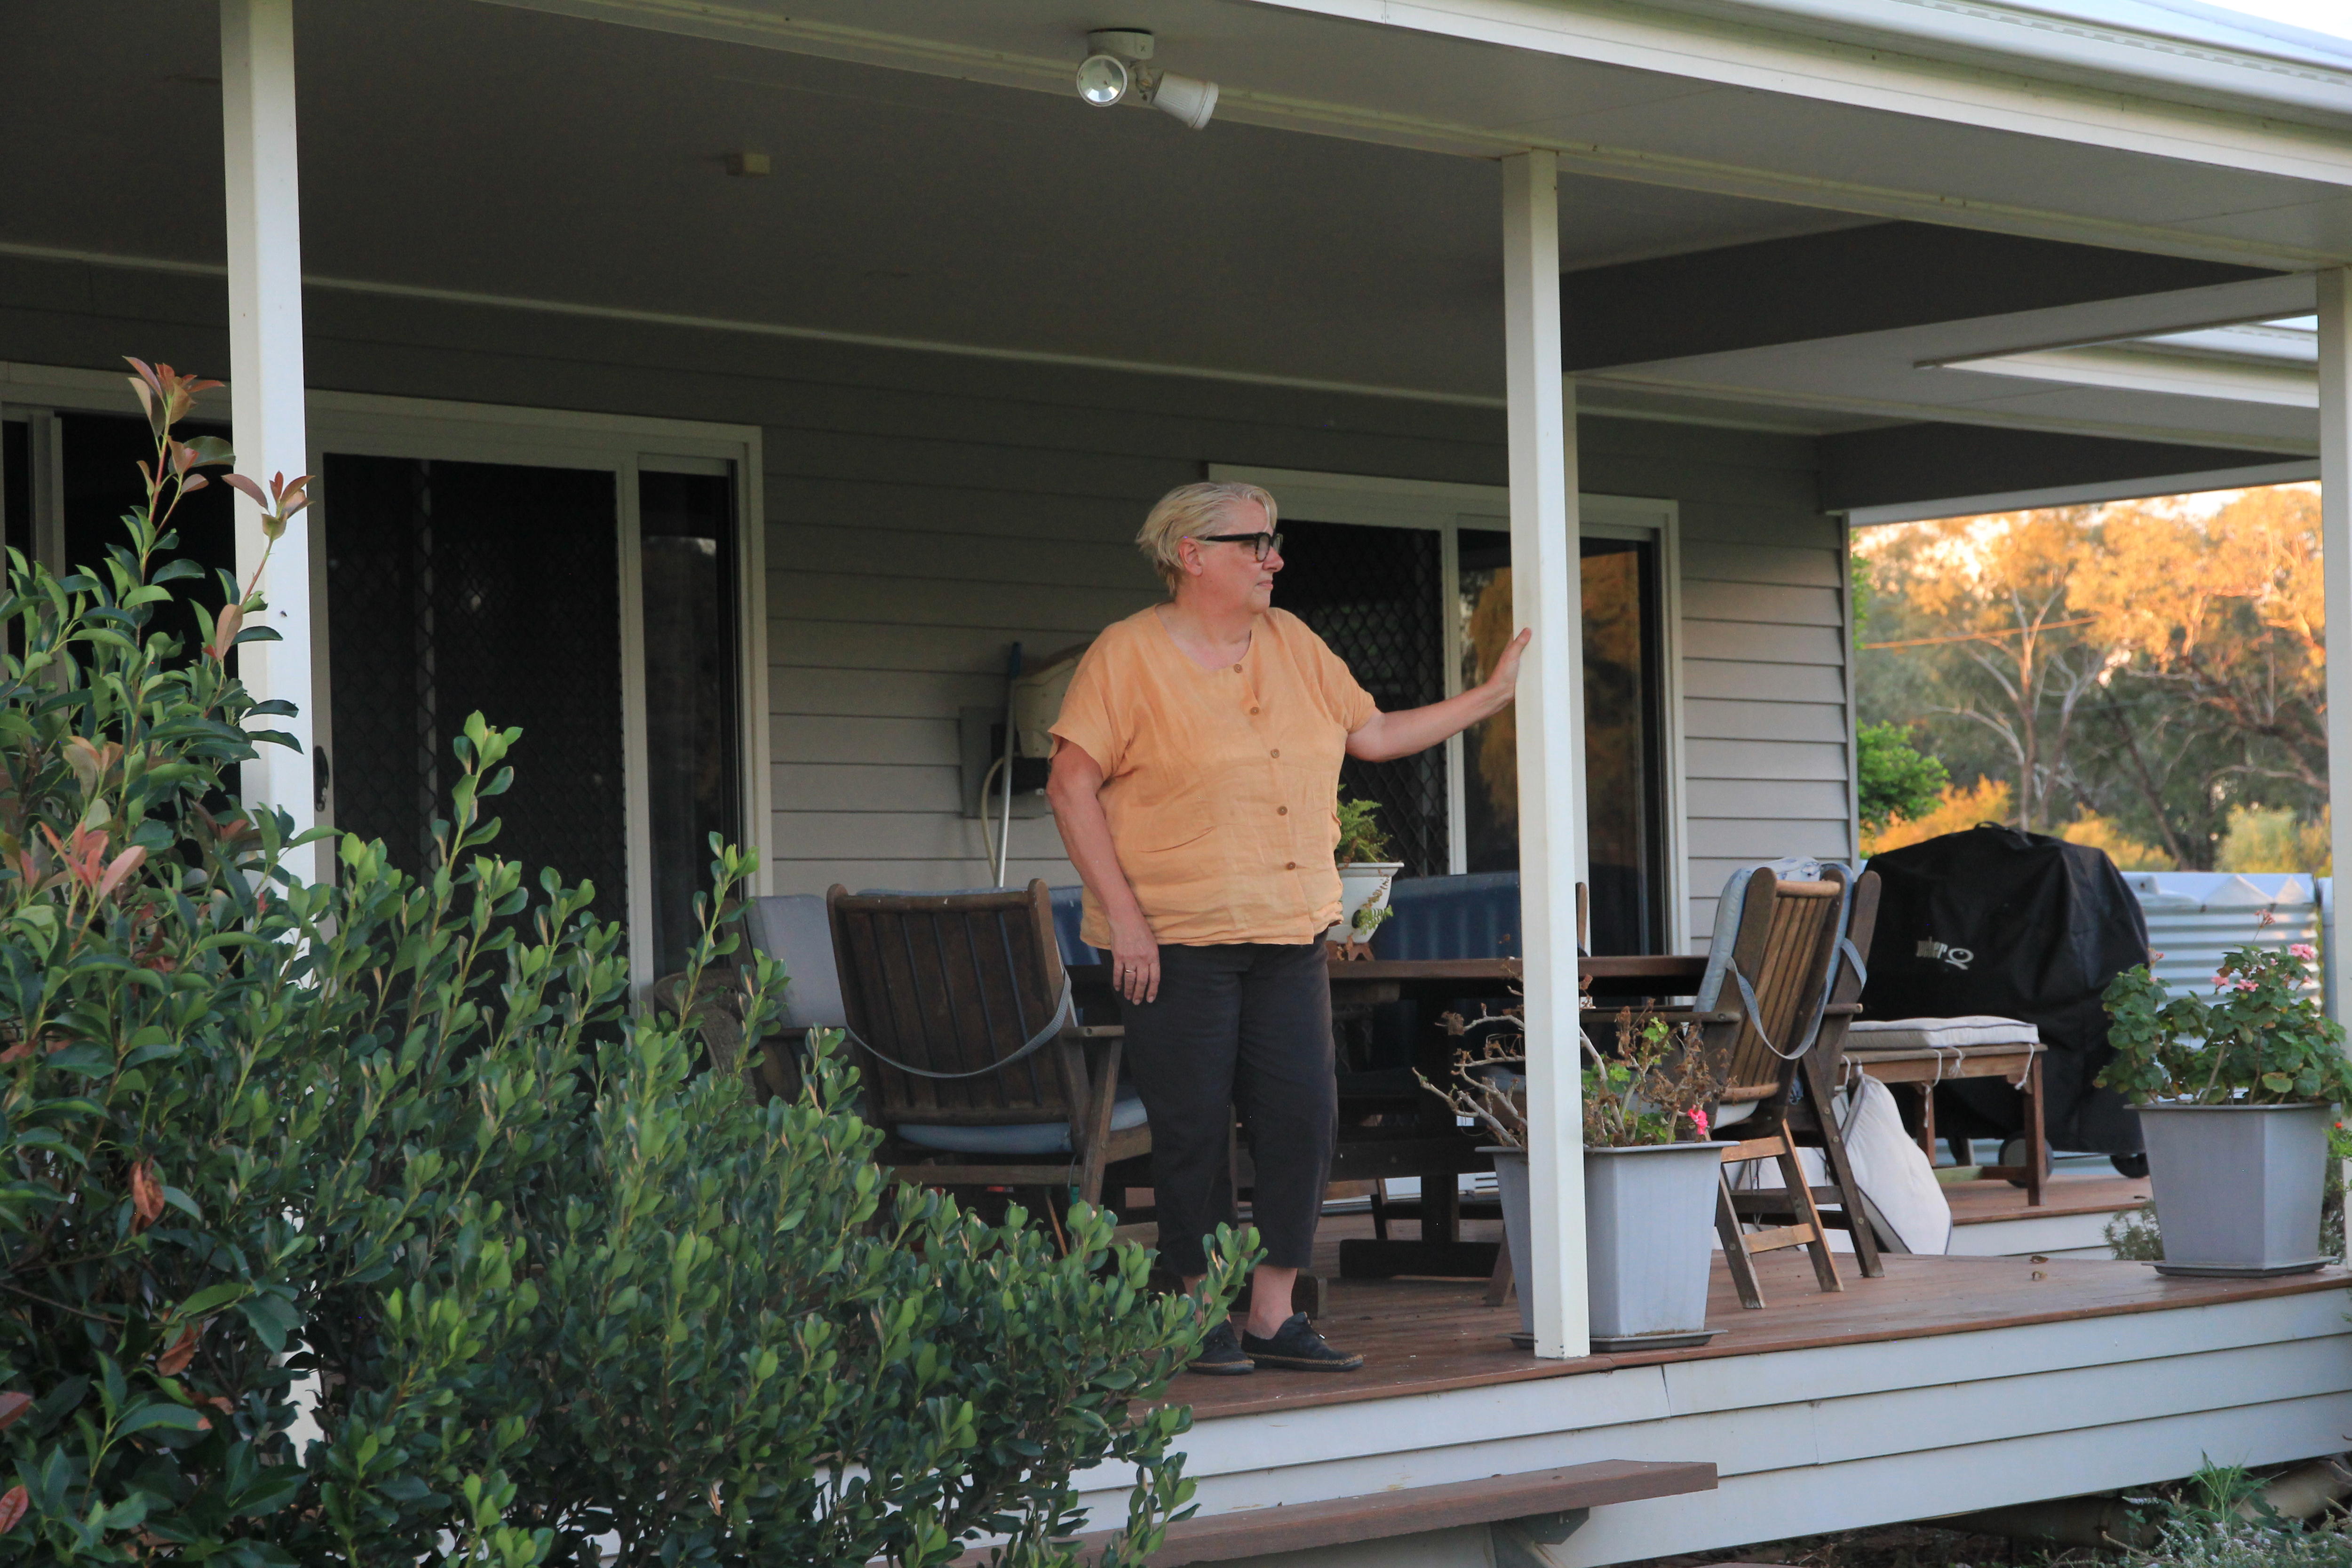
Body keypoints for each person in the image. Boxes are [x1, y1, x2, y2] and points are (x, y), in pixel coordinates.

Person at [1047, 480, 1528, 1375]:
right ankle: (1198, 1315)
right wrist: (1131, 924)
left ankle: (1272, 1313)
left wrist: (1488, 699)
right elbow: (1071, 787)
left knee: (1304, 1117)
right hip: (1177, 938)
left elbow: (1374, 733)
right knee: (1191, 1128)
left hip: (1288, 929)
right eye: (1254, 543)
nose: (1276, 558)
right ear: (1191, 556)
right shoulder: (1127, 656)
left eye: (1276, 540)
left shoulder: (1296, 643)